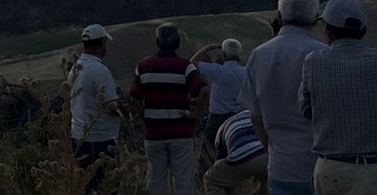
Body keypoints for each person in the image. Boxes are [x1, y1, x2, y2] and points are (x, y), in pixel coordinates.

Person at [299, 0, 377, 194]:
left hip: (333, 169)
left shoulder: (313, 62)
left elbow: (305, 108)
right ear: (362, 30)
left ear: (329, 31)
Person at [239, 0, 325, 195]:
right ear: (315, 18)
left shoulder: (259, 55)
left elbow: (255, 117)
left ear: (280, 15)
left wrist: (271, 148)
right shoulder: (323, 54)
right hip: (320, 167)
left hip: (280, 167)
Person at [130, 22, 205, 195]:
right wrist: (195, 115)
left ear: (157, 41)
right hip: (180, 133)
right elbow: (204, 91)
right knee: (184, 182)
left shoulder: (143, 65)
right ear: (178, 42)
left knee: (155, 182)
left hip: (154, 134)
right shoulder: (185, 66)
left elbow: (135, 98)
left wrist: (146, 119)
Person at [68, 23, 122, 192]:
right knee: (107, 186)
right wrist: (129, 110)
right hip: (100, 140)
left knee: (85, 187)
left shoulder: (76, 68)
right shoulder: (99, 70)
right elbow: (111, 105)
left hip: (78, 136)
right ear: (102, 43)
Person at [191, 38, 247, 154]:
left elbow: (192, 62)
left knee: (207, 152)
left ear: (224, 54)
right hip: (238, 117)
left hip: (217, 118)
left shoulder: (217, 70)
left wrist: (210, 47)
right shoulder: (245, 72)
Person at [204, 109, 269, 195]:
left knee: (211, 180)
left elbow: (221, 163)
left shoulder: (221, 130)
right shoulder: (252, 113)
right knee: (265, 182)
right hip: (267, 155)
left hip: (242, 157)